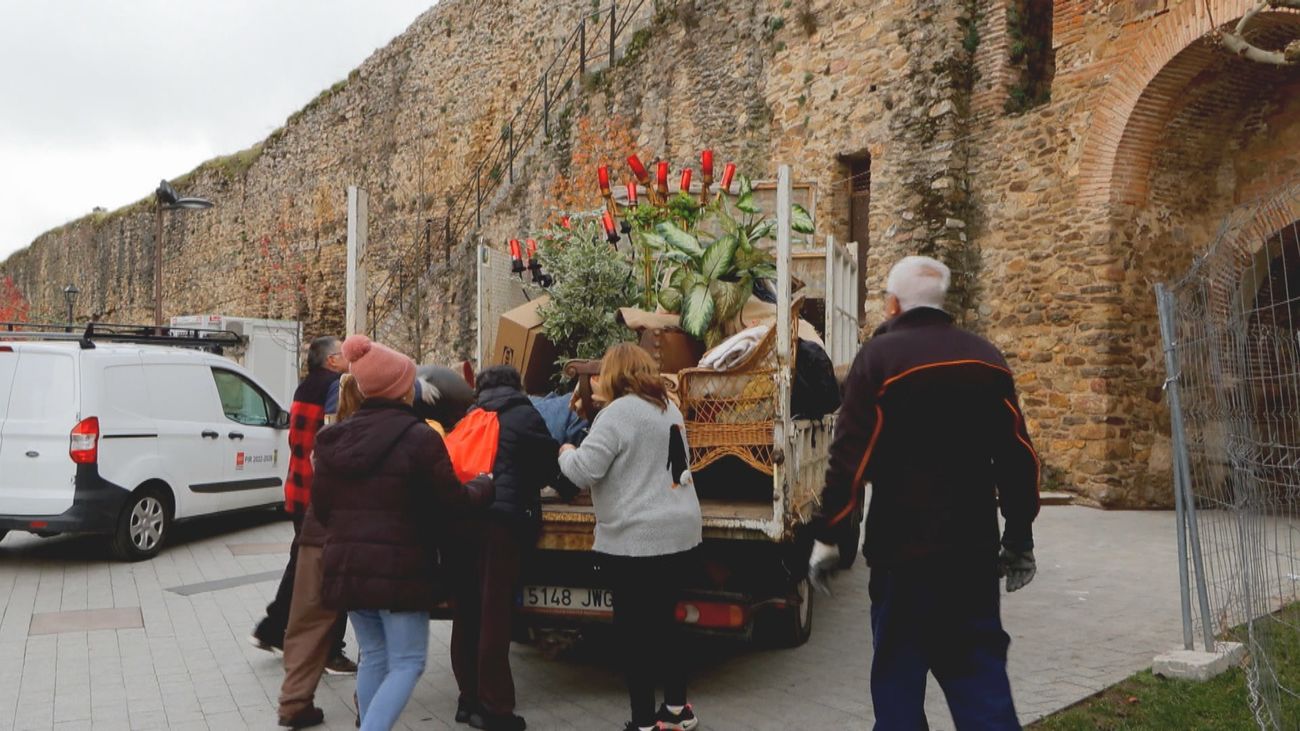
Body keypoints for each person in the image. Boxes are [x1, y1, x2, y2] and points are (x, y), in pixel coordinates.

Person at [807, 255, 1041, 730]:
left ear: (893, 305)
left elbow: (849, 459)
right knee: (982, 685)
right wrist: (1018, 537)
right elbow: (1019, 458)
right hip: (971, 558)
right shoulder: (986, 359)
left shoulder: (880, 361)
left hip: (903, 559)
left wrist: (829, 536)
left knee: (898, 686)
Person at [313, 335, 493, 731]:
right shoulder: (420, 439)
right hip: (400, 571)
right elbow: (453, 503)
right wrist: (484, 484)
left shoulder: (331, 439)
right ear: (401, 389)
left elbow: (322, 510)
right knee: (408, 662)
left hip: (348, 567)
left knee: (375, 655)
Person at [557, 344, 703, 731]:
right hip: (680, 530)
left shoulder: (616, 414)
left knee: (634, 635)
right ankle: (676, 711)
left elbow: (583, 471)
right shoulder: (668, 408)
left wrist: (566, 449)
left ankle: (642, 723)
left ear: (614, 374)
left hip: (637, 540)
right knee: (666, 625)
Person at [447, 365, 560, 731]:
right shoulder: (525, 414)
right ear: (517, 386)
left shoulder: (470, 416)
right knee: (495, 615)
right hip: (499, 525)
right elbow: (548, 466)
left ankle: (468, 700)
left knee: (466, 611)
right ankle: (495, 709)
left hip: (462, 520)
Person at [252, 336, 356, 676]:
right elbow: (334, 437)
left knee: (301, 562)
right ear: (331, 361)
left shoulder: (303, 388)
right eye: (342, 355)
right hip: (322, 496)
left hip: (298, 490)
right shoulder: (335, 388)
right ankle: (330, 650)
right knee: (331, 570)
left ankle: (273, 628)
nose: (347, 359)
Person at [277, 374, 363, 728]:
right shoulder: (385, 435)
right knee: (377, 635)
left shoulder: (326, 439)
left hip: (317, 536)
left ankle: (294, 704)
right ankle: (371, 711)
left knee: (305, 624)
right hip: (359, 542)